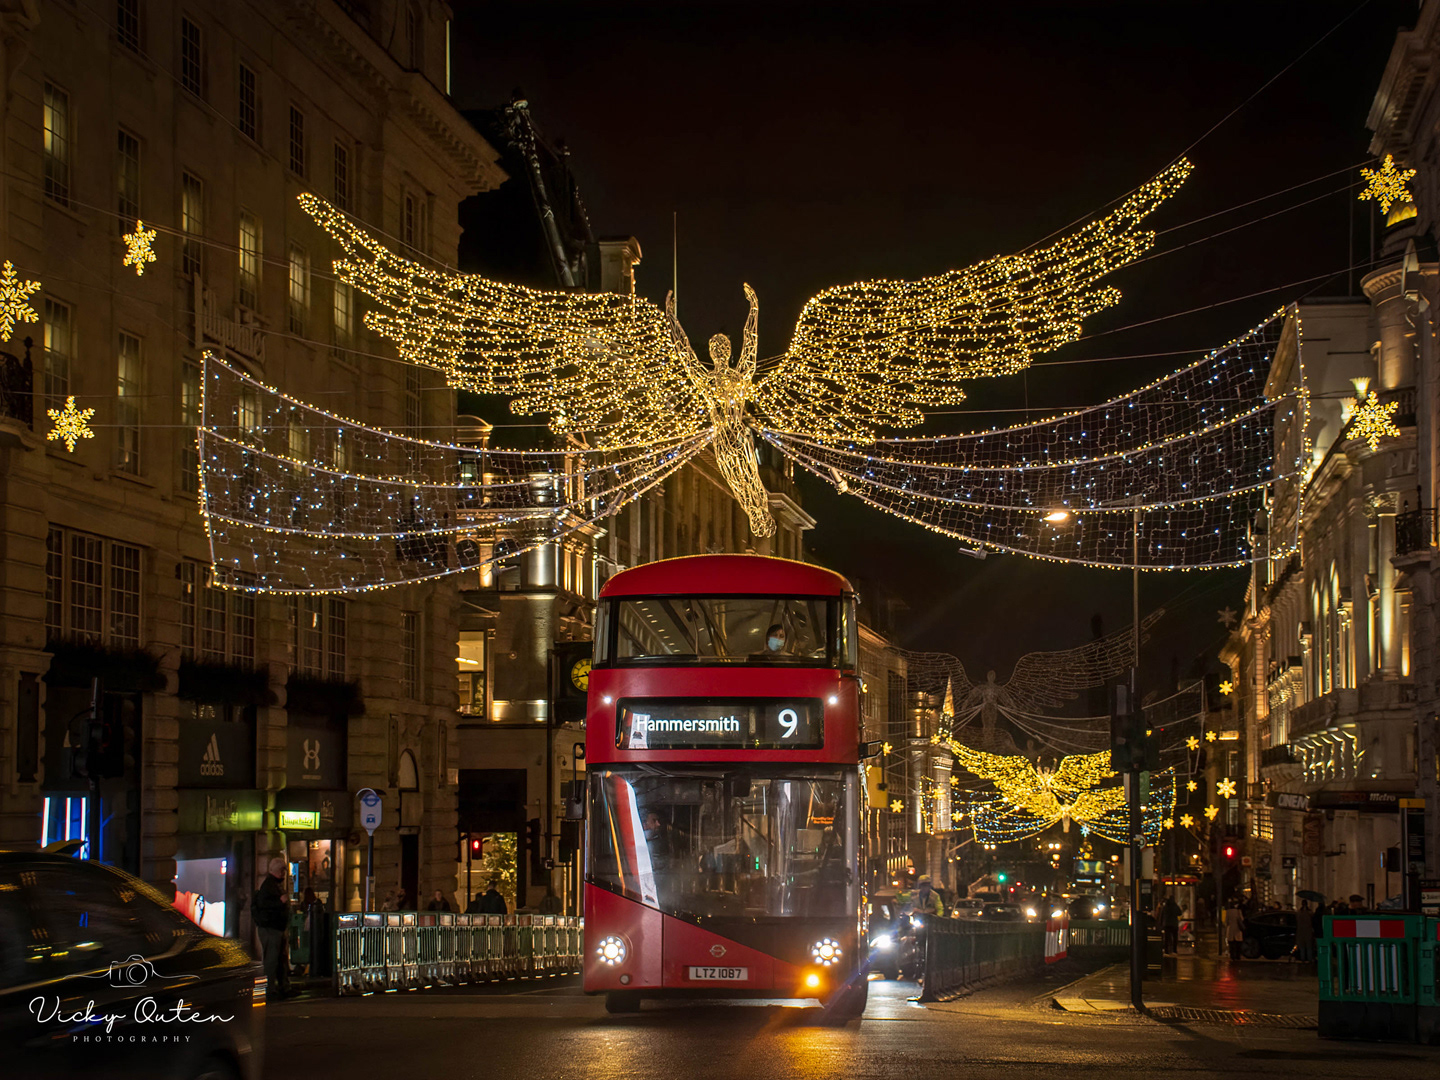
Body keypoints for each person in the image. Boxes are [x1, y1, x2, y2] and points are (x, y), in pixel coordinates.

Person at [253, 857, 292, 997]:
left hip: (276, 928)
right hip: (272, 929)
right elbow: (264, 905)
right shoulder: (269, 886)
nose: (284, 873)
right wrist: (280, 902)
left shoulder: (272, 885)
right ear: (277, 871)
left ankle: (281, 987)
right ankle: (270, 989)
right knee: (272, 959)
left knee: (279, 959)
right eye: (282, 870)